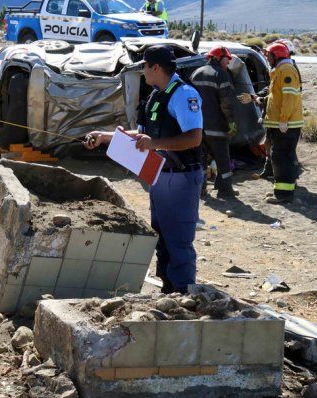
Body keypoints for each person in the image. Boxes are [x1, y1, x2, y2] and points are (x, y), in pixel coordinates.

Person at [84, 45, 203, 294]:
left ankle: (183, 293)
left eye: (145, 67)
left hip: (181, 177)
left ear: (156, 67)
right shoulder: (156, 95)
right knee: (161, 235)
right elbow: (142, 135)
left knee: (178, 238)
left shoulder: (183, 94)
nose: (143, 72)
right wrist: (105, 136)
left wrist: (155, 144)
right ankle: (168, 289)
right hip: (159, 175)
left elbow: (194, 138)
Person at [253, 41, 303, 204]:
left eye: (269, 56)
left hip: (287, 124)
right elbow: (276, 96)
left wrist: (283, 120)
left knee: (282, 157)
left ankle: (284, 194)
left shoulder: (286, 70)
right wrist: (261, 100)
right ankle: (283, 190)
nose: (267, 58)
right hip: (281, 123)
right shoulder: (280, 70)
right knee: (280, 156)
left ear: (278, 56)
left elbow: (289, 97)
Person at [190, 45, 239, 199]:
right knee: (223, 160)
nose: (228, 63)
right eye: (226, 59)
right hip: (217, 127)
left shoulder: (196, 73)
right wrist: (231, 121)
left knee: (201, 160)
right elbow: (227, 102)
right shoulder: (221, 75)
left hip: (198, 128)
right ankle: (225, 191)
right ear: (218, 58)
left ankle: (201, 190)